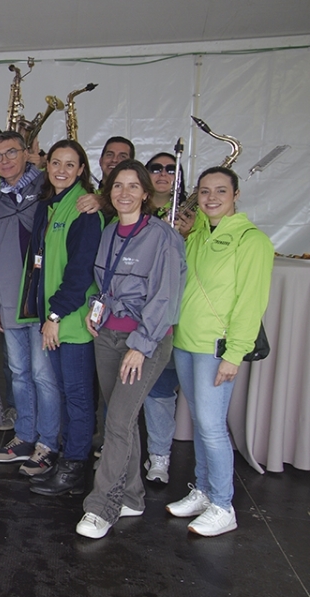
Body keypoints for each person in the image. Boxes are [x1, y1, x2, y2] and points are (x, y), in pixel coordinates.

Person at [74, 160, 186, 538]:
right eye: (117, 186)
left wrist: (141, 345)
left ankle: (102, 506)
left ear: (145, 192)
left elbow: (165, 297)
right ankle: (133, 497)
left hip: (144, 341)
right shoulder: (109, 232)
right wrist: (95, 309)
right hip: (107, 337)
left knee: (118, 422)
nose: (124, 193)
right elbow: (104, 284)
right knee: (120, 421)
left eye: (132, 186)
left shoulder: (163, 237)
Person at [166, 167, 273, 537]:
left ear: (236, 194)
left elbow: (251, 303)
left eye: (220, 191)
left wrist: (235, 354)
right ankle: (204, 490)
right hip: (185, 343)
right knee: (200, 422)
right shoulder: (195, 235)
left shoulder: (251, 240)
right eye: (205, 191)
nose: (212, 197)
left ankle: (224, 505)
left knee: (212, 427)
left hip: (216, 348)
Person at [19, 141, 104, 486]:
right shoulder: (49, 206)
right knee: (67, 393)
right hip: (51, 319)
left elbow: (80, 271)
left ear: (82, 169)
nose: (62, 170)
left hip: (70, 320)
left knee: (79, 395)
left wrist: (53, 317)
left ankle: (75, 465)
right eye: (56, 163)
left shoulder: (84, 211)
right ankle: (70, 454)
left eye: (71, 165)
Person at [0, 131, 62, 466]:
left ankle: (49, 441)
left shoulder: (47, 190)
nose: (3, 161)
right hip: (10, 306)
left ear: (27, 153)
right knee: (19, 373)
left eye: (10, 152)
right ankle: (25, 436)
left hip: (41, 306)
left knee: (44, 375)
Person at [139, 151, 186, 484]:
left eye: (172, 169)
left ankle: (159, 457)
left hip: (174, 318)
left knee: (161, 392)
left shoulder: (193, 216)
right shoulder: (133, 211)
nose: (164, 173)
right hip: (136, 317)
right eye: (156, 168)